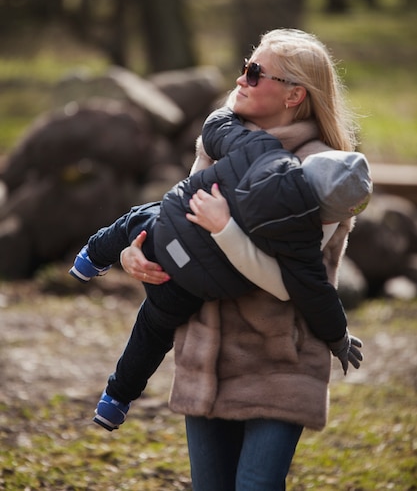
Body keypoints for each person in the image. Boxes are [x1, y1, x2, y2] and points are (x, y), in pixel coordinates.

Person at [119, 28, 366, 491]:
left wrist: (225, 229)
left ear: (295, 94)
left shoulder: (327, 172)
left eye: (255, 72)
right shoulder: (219, 140)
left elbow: (291, 281)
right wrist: (136, 253)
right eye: (244, 67)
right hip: (205, 361)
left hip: (278, 366)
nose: (241, 80)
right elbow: (179, 225)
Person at [70, 106, 371, 431]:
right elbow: (317, 295)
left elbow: (214, 131)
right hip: (185, 285)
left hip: (162, 235)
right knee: (152, 334)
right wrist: (338, 337)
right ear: (330, 216)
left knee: (135, 219)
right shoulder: (304, 239)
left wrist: (226, 114)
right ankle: (115, 400)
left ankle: (90, 259)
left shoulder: (261, 149)